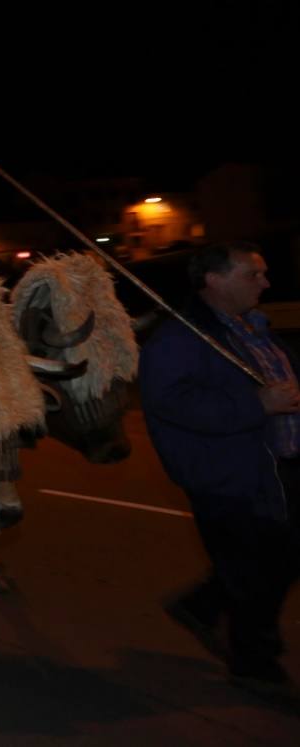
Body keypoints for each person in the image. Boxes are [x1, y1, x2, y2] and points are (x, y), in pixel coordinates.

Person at [140, 241, 300, 698]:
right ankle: (253, 662)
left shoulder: (252, 329)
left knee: (281, 557)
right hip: (228, 476)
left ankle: (203, 604)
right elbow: (170, 403)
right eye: (254, 274)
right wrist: (256, 404)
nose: (266, 283)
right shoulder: (179, 339)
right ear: (214, 280)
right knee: (253, 576)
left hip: (281, 464)